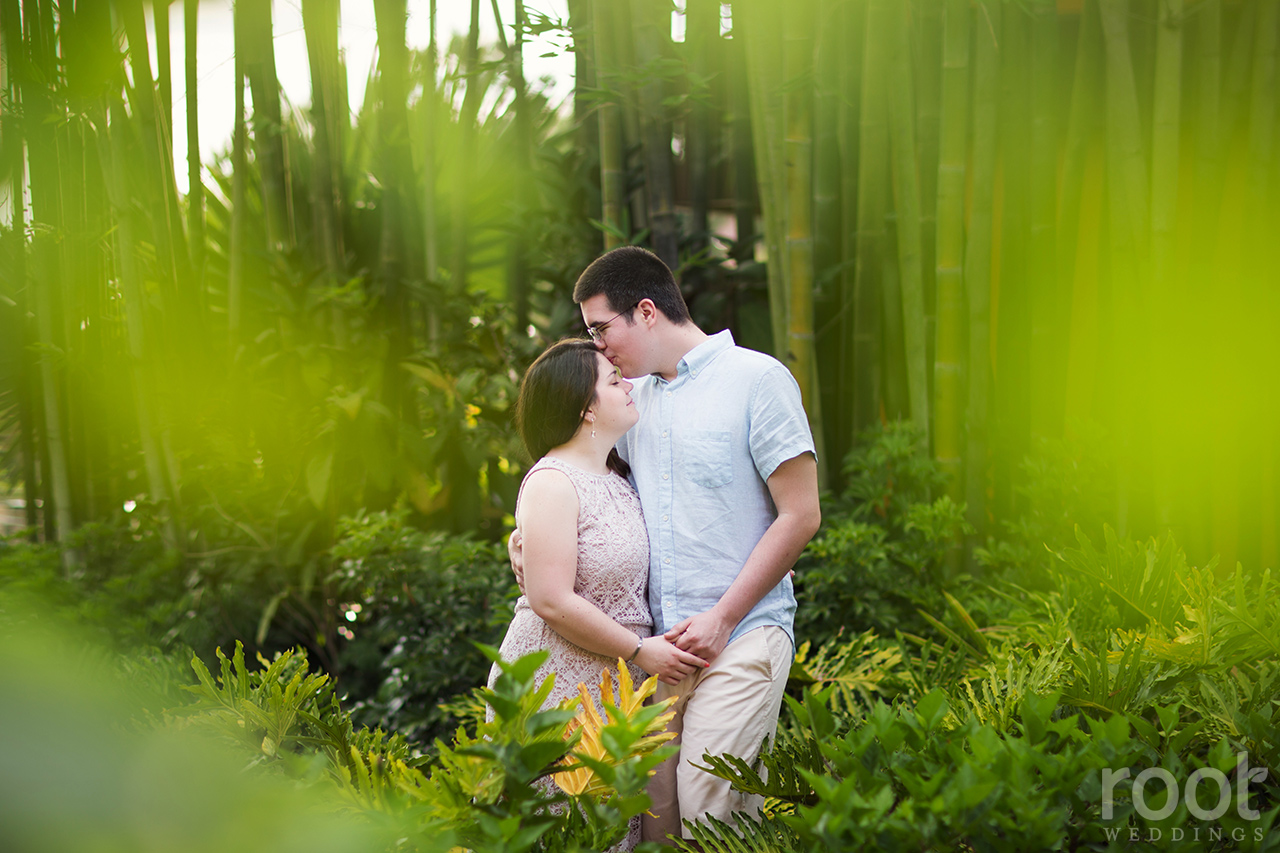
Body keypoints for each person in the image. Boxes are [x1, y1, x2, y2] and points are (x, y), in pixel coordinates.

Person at [516, 247, 822, 844]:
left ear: (647, 311)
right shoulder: (630, 403)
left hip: (744, 631)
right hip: (656, 649)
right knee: (655, 821)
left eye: (601, 329)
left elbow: (801, 515)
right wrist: (524, 537)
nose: (598, 348)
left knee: (713, 806)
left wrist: (723, 617)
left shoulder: (758, 380)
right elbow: (590, 494)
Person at [488, 339, 711, 851]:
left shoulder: (620, 475)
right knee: (566, 830)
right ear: (585, 408)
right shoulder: (551, 481)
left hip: (617, 685)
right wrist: (637, 649)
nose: (627, 385)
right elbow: (550, 599)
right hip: (558, 680)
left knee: (613, 831)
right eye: (613, 381)